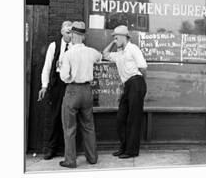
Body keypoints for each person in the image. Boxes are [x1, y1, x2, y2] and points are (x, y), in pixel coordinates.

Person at [58, 21, 102, 168]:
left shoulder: (68, 54)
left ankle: (70, 160)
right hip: (87, 91)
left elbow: (64, 77)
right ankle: (92, 157)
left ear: (73, 35)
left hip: (73, 90)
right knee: (89, 125)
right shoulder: (92, 52)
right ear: (83, 36)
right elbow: (100, 57)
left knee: (69, 128)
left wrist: (71, 78)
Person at [102, 25, 147, 159]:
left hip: (136, 82)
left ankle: (131, 151)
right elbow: (104, 54)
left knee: (133, 119)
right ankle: (124, 147)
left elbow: (143, 67)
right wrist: (113, 43)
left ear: (124, 37)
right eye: (114, 37)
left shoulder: (133, 48)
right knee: (121, 118)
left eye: (117, 37)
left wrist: (142, 85)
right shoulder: (119, 54)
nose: (115, 39)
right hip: (127, 85)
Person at [37, 21, 72, 160]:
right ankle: (51, 148)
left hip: (70, 83)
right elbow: (47, 66)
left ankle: (67, 149)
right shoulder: (54, 45)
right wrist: (44, 85)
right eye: (68, 32)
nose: (70, 35)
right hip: (56, 83)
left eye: (72, 32)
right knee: (54, 116)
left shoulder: (76, 46)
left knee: (68, 117)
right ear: (62, 32)